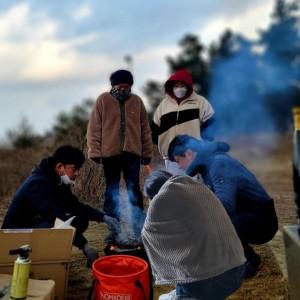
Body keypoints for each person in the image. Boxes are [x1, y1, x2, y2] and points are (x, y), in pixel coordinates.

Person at [168, 134, 279, 278]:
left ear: (189, 153)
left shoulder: (218, 163)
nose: (179, 166)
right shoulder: (207, 165)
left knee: (212, 221)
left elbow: (225, 205)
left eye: (178, 160)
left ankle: (248, 261)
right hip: (249, 215)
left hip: (262, 221)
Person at [1, 145, 119, 268]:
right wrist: (85, 246)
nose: (77, 173)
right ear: (59, 167)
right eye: (74, 169)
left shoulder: (57, 180)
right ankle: (44, 258)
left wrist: (104, 218)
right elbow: (57, 219)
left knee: (80, 220)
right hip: (15, 236)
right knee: (59, 223)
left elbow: (75, 206)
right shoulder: (38, 183)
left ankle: (49, 254)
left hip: (35, 224)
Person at [142, 170, 246, 300]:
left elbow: (148, 232)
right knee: (184, 250)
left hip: (213, 282)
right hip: (238, 268)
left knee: (175, 255)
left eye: (150, 199)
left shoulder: (164, 200)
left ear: (157, 196)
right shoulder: (194, 191)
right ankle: (183, 293)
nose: (150, 203)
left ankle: (185, 296)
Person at [87, 69, 153, 226]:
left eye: (127, 86)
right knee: (111, 188)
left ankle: (138, 222)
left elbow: (145, 129)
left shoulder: (137, 101)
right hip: (110, 153)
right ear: (113, 85)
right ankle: (112, 222)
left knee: (134, 188)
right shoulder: (103, 100)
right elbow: (94, 128)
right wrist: (95, 151)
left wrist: (147, 152)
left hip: (132, 153)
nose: (123, 89)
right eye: (120, 86)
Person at [151, 69, 215, 175]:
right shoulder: (164, 105)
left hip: (193, 156)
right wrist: (165, 145)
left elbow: (212, 125)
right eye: (176, 86)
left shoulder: (200, 102)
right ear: (171, 87)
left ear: (188, 86)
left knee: (196, 188)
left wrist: (201, 145)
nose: (179, 88)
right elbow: (154, 129)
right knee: (176, 188)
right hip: (172, 158)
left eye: (182, 85)